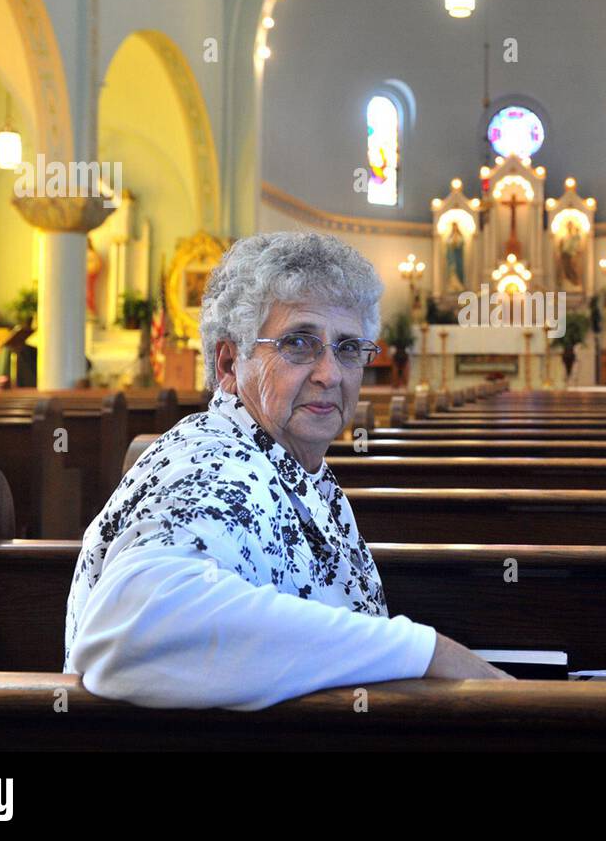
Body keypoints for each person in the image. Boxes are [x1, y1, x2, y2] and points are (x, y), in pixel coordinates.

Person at [65, 231, 510, 709]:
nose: (330, 374)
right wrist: (427, 652)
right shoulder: (214, 463)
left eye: (348, 348)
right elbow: (132, 630)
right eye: (299, 343)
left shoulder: (279, 458)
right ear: (230, 362)